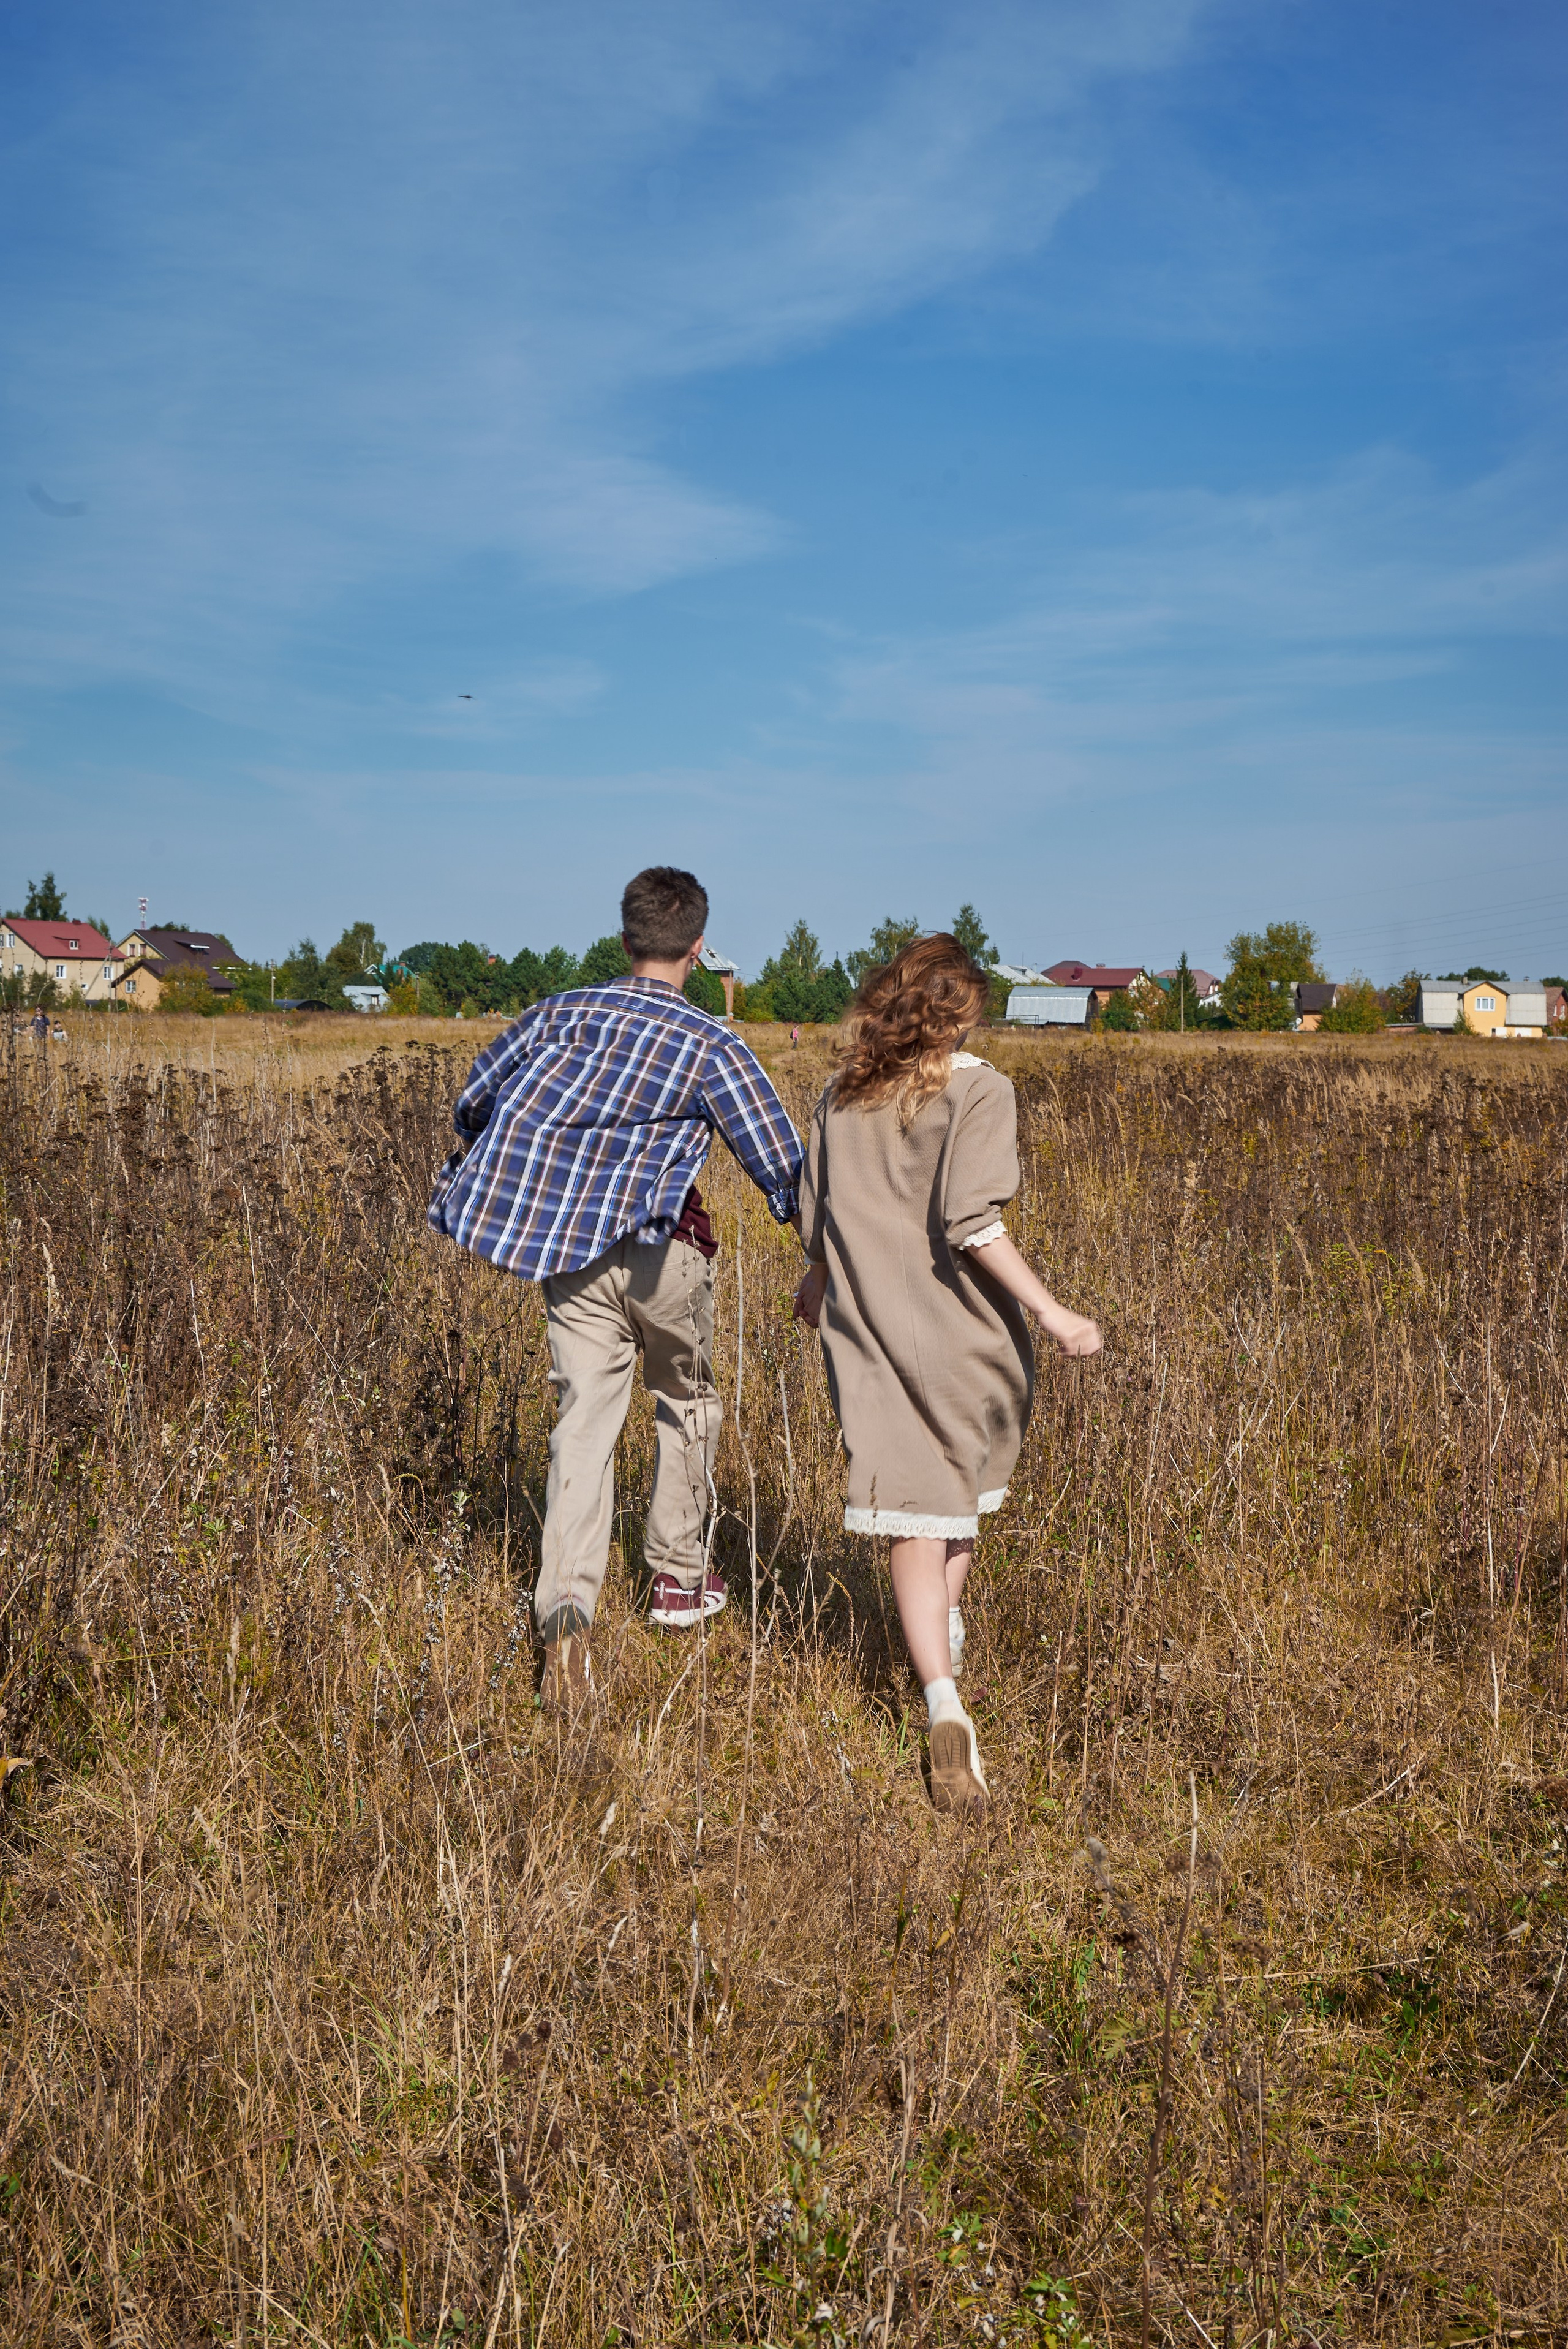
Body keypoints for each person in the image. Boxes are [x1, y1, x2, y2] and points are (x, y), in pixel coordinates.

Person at [428, 867, 803, 1714]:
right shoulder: (712, 1043)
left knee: (583, 1428)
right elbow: (782, 1166)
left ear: (625, 936)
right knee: (688, 1402)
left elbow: (475, 1100)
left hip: (570, 1254)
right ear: (698, 949)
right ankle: (676, 1577)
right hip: (666, 1256)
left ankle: (566, 1618)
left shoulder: (558, 1013)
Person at [793, 934, 1101, 1819]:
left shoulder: (840, 1096)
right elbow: (973, 1222)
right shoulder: (981, 1089)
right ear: (962, 1013)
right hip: (967, 1338)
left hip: (866, 1335)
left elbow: (818, 1218)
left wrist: (818, 1280)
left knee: (915, 1514)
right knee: (950, 1507)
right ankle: (945, 1665)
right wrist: (1055, 1313)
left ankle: (940, 1689)